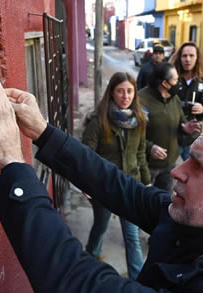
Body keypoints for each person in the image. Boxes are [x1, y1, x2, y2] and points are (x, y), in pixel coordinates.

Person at [0, 83, 203, 292]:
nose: (177, 171)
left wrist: (16, 167)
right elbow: (122, 189)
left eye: (198, 165)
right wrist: (44, 132)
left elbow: (77, 281)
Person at [82, 72, 148, 279]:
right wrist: (86, 184)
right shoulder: (99, 120)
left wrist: (145, 182)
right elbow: (85, 154)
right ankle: (89, 264)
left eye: (129, 91)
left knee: (132, 236)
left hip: (130, 186)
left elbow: (140, 152)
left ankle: (137, 281)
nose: (125, 96)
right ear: (112, 93)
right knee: (100, 227)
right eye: (120, 91)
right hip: (104, 187)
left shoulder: (139, 119)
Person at [138, 63, 201, 192]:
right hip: (147, 166)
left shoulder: (174, 98)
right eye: (176, 80)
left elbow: (181, 122)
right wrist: (150, 148)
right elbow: (133, 136)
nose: (179, 83)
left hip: (170, 164)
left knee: (164, 202)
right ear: (165, 83)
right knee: (143, 204)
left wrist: (186, 129)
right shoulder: (141, 100)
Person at [169, 41, 203, 160]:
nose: (188, 59)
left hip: (193, 137)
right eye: (184, 56)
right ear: (179, 58)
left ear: (197, 58)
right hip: (171, 134)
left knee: (194, 174)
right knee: (168, 173)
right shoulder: (171, 79)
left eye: (191, 56)